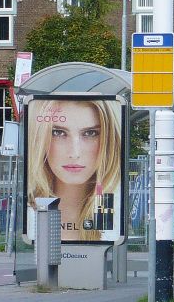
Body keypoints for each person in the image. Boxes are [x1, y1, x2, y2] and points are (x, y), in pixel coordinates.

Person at [28, 99, 123, 242]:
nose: (75, 152)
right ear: (39, 138)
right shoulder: (28, 218)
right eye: (58, 132)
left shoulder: (111, 211)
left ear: (110, 140)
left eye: (91, 133)